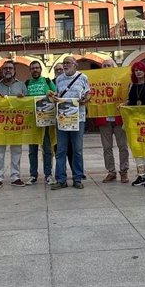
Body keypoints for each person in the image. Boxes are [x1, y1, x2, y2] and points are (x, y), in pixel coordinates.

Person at [51, 56, 91, 190]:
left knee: (77, 150)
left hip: (77, 119)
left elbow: (88, 94)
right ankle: (61, 179)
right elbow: (55, 95)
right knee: (61, 150)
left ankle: (77, 178)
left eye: (68, 63)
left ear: (75, 65)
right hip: (62, 119)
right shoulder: (59, 79)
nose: (65, 65)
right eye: (64, 63)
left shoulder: (83, 77)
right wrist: (54, 98)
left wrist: (85, 100)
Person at [0, 60, 28, 188]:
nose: (8, 70)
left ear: (14, 70)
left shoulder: (21, 85)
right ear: (2, 70)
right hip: (1, 124)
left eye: (10, 68)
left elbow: (27, 104)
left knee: (16, 150)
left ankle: (15, 176)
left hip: (16, 124)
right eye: (5, 68)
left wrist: (23, 99)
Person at [95, 58, 129, 184]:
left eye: (109, 65)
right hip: (104, 118)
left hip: (119, 117)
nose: (106, 67)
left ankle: (124, 171)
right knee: (107, 147)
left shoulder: (121, 81)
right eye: (104, 66)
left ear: (114, 67)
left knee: (123, 146)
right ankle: (111, 172)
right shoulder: (98, 82)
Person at [25, 60, 56, 185]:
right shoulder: (26, 83)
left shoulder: (48, 82)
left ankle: (48, 174)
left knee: (47, 149)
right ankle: (33, 175)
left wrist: (51, 93)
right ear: (30, 70)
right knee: (32, 150)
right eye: (32, 68)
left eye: (37, 68)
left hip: (46, 121)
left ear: (40, 69)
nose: (35, 70)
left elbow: (56, 95)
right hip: (31, 122)